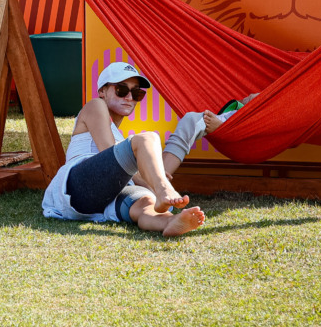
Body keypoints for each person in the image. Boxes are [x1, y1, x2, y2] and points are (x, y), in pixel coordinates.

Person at [42, 62, 207, 236]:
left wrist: (151, 177)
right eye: (121, 90)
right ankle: (163, 190)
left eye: (136, 93)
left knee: (145, 203)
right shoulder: (95, 106)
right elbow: (108, 151)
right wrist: (153, 181)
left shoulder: (119, 136)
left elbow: (120, 166)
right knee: (147, 138)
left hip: (103, 199)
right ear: (102, 92)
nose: (129, 97)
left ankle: (169, 221)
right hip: (77, 187)